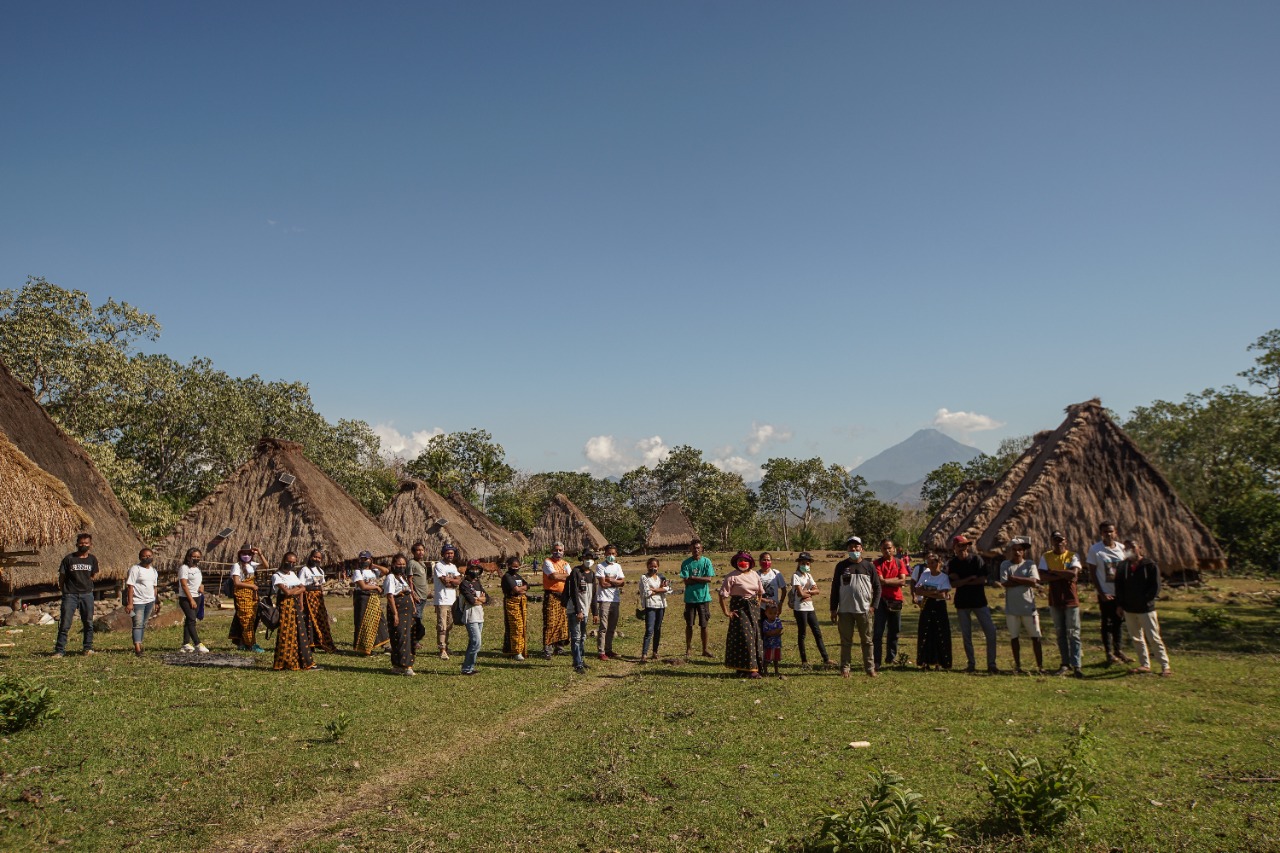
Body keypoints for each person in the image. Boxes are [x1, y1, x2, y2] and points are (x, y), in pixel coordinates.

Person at [1115, 539, 1171, 677]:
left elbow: (1155, 587)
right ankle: (1144, 664)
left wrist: (1145, 601)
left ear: (1139, 548)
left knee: (1153, 637)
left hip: (1146, 608)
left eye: (1132, 547)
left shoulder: (1149, 565)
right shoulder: (1123, 566)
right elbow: (1119, 587)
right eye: (1127, 548)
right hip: (1129, 608)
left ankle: (1165, 666)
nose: (1130, 550)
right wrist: (1120, 604)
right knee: (1136, 638)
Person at [830, 538, 881, 678]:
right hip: (845, 610)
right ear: (848, 550)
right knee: (846, 641)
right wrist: (833, 609)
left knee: (867, 641)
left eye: (856, 547)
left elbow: (877, 587)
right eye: (851, 547)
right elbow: (835, 588)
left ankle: (870, 668)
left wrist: (873, 606)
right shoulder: (841, 566)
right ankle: (845, 668)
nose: (854, 550)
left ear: (862, 549)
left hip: (864, 610)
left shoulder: (869, 566)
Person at [949, 534, 999, 674]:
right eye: (960, 546)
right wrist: (970, 578)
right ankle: (971, 663)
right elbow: (953, 584)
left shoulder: (977, 560)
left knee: (991, 632)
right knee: (967, 635)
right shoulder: (953, 563)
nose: (963, 548)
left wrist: (963, 581)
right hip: (962, 603)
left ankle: (991, 664)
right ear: (954, 548)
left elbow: (982, 580)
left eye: (965, 545)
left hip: (979, 601)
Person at [1039, 532, 1084, 678]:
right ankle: (1065, 663)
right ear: (1051, 541)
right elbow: (1042, 576)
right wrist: (1064, 574)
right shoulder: (1046, 556)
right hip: (1055, 599)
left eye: (1061, 540)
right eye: (1056, 540)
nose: (1059, 542)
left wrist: (1053, 573)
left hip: (1071, 599)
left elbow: (1073, 574)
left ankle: (1077, 664)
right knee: (1060, 633)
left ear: (1066, 541)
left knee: (1074, 633)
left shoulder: (1073, 555)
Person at [1088, 522, 1131, 666]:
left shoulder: (1122, 549)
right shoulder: (1095, 550)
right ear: (1101, 533)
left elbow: (1129, 567)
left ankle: (1118, 650)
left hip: (1121, 593)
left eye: (1111, 531)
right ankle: (1109, 653)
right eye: (1105, 531)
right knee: (1106, 623)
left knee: (1119, 623)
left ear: (1116, 532)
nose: (1108, 534)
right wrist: (1101, 593)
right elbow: (1093, 573)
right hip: (1106, 593)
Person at [999, 537, 1044, 674]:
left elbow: (1034, 581)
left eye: (1020, 550)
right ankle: (1018, 666)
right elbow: (1005, 583)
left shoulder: (1029, 564)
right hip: (1012, 608)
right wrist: (1025, 581)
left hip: (1028, 607)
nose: (1017, 552)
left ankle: (1040, 666)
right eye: (1014, 550)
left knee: (1036, 636)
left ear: (1024, 551)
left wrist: (1015, 578)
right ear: (1011, 551)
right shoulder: (1005, 565)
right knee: (1014, 637)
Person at [719, 551, 765, 678]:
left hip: (753, 610)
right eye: (740, 561)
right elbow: (722, 595)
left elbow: (760, 592)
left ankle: (750, 668)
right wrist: (727, 612)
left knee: (755, 636)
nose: (742, 563)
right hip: (739, 610)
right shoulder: (732, 577)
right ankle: (750, 670)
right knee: (745, 637)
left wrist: (757, 604)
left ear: (750, 563)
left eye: (745, 560)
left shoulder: (755, 574)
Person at [53, 532, 99, 657]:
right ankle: (60, 650)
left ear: (90, 545)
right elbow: (62, 576)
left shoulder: (92, 559)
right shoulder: (69, 559)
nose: (83, 545)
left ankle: (87, 648)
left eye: (86, 543)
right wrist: (64, 589)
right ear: (77, 544)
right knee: (65, 623)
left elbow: (94, 575)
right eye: (81, 543)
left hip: (87, 594)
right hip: (70, 594)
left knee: (88, 622)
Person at [271, 553, 316, 671]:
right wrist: (296, 589)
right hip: (285, 607)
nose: (291, 564)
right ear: (283, 560)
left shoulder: (292, 575)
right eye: (289, 561)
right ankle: (285, 662)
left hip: (295, 606)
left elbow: (303, 588)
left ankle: (302, 661)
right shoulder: (277, 576)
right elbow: (287, 592)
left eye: (294, 562)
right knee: (285, 635)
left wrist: (298, 597)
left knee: (299, 633)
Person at [872, 538, 911, 672]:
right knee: (878, 632)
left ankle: (891, 657)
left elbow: (903, 580)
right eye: (884, 548)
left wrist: (887, 581)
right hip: (881, 601)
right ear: (881, 550)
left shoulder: (899, 562)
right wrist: (897, 581)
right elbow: (880, 581)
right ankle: (876, 660)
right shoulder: (876, 563)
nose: (887, 550)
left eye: (889, 548)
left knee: (894, 630)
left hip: (896, 600)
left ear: (894, 549)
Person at [912, 552, 953, 670]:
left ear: (938, 562)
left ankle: (939, 662)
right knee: (926, 632)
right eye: (928, 563)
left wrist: (927, 592)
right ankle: (924, 660)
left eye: (933, 562)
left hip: (939, 607)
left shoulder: (944, 577)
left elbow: (943, 595)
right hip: (927, 605)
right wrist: (933, 592)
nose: (931, 565)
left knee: (939, 633)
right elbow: (918, 591)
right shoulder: (925, 575)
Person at [790, 553, 832, 670]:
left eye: (807, 563)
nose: (805, 565)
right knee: (802, 634)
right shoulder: (796, 576)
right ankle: (804, 660)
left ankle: (826, 658)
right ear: (799, 563)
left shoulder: (808, 575)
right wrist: (810, 592)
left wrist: (808, 593)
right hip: (800, 608)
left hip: (810, 607)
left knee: (817, 633)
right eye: (803, 563)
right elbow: (800, 593)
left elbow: (817, 590)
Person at [680, 538, 716, 658]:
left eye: (698, 548)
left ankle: (705, 649)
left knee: (704, 625)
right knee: (689, 624)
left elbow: (709, 579)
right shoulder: (686, 563)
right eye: (694, 548)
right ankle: (688, 648)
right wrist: (700, 579)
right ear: (690, 549)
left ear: (701, 549)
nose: (696, 550)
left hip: (703, 598)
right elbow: (686, 581)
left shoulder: (707, 562)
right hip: (690, 598)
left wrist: (693, 577)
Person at [563, 550, 596, 673]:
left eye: (591, 558)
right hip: (575, 610)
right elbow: (574, 593)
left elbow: (593, 595)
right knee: (576, 637)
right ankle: (577, 664)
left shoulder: (592, 574)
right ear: (582, 558)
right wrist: (578, 611)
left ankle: (581, 659)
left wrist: (595, 613)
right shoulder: (576, 572)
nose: (589, 560)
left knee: (582, 636)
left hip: (586, 610)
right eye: (586, 557)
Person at [384, 554, 417, 676]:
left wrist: (413, 607)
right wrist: (395, 614)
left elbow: (408, 593)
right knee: (400, 636)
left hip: (407, 612)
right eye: (399, 564)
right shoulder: (390, 578)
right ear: (393, 564)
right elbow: (390, 596)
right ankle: (405, 665)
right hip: (398, 610)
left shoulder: (402, 578)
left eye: (403, 564)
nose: (401, 566)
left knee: (408, 636)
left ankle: (399, 665)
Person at [352, 551, 391, 655]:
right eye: (362, 559)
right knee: (364, 623)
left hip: (374, 598)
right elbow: (363, 586)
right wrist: (376, 587)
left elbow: (386, 571)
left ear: (370, 559)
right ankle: (365, 649)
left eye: (366, 559)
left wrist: (374, 565)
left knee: (380, 620)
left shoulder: (374, 572)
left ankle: (386, 646)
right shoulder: (358, 572)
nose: (364, 561)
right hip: (363, 598)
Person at [229, 547, 267, 653]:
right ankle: (251, 644)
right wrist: (251, 586)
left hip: (252, 596)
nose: (246, 556)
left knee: (252, 618)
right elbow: (237, 583)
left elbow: (266, 566)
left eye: (248, 554)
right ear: (240, 554)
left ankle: (243, 642)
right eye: (244, 554)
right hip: (242, 594)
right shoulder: (236, 566)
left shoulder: (252, 565)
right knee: (246, 619)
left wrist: (260, 553)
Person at [300, 550, 337, 653]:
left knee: (322, 620)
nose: (317, 559)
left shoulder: (320, 571)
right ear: (310, 557)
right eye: (315, 557)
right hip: (308, 598)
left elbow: (321, 585)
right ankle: (310, 645)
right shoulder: (304, 570)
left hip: (318, 599)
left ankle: (323, 643)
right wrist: (301, 602)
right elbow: (301, 586)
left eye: (319, 558)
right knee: (309, 620)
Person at [124, 547, 159, 657]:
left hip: (150, 601)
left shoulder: (153, 571)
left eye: (149, 556)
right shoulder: (135, 569)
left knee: (143, 623)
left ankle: (140, 642)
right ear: (140, 557)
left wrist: (156, 601)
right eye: (144, 556)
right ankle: (137, 648)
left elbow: (155, 587)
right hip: (137, 601)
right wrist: (130, 603)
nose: (147, 558)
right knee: (137, 623)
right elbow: (130, 586)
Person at [595, 543, 626, 661]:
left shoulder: (618, 566)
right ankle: (601, 651)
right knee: (603, 627)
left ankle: (609, 649)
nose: (611, 556)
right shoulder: (600, 566)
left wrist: (610, 580)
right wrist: (615, 581)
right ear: (605, 554)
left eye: (613, 554)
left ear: (616, 554)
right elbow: (602, 584)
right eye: (609, 554)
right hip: (604, 600)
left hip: (615, 599)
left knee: (612, 627)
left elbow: (622, 582)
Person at [541, 542, 572, 659]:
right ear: (551, 550)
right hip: (552, 595)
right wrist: (566, 575)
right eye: (556, 550)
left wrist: (563, 575)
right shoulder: (547, 562)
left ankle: (559, 647)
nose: (558, 552)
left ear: (563, 551)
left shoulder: (565, 563)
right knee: (550, 621)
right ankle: (547, 649)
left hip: (564, 596)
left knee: (563, 622)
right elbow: (553, 576)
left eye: (560, 550)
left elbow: (570, 576)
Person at [638, 557, 671, 662]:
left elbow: (668, 589)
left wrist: (655, 590)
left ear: (658, 567)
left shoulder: (661, 577)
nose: (653, 568)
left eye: (655, 566)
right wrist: (661, 590)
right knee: (649, 630)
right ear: (647, 566)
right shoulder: (644, 577)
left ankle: (655, 652)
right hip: (650, 605)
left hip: (661, 605)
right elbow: (647, 593)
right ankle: (644, 654)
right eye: (651, 566)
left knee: (658, 629)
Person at [176, 548, 209, 654]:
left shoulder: (197, 569)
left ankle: (186, 644)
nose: (196, 559)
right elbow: (184, 585)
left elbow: (198, 581)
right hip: (186, 598)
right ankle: (198, 643)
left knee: (189, 620)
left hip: (197, 596)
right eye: (194, 556)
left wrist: (201, 586)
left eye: (198, 557)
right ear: (188, 557)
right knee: (191, 620)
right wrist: (191, 600)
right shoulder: (184, 568)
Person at [458, 560, 488, 675]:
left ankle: (468, 668)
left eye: (477, 569)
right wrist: (480, 599)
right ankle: (467, 667)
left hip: (480, 615)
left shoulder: (478, 583)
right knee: (476, 642)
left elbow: (487, 599)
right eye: (472, 569)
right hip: (470, 616)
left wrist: (479, 600)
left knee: (473, 643)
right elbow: (471, 600)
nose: (475, 571)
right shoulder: (464, 584)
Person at [433, 545, 462, 659]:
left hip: (452, 599)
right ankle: (442, 648)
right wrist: (453, 581)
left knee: (449, 625)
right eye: (448, 553)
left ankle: (446, 646)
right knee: (442, 625)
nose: (450, 555)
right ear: (443, 554)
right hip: (442, 599)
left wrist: (452, 580)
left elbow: (459, 580)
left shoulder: (453, 566)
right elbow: (445, 582)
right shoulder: (439, 566)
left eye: (452, 553)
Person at [501, 556, 529, 660]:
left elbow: (527, 585)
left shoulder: (518, 576)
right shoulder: (507, 577)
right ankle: (516, 651)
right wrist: (519, 590)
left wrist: (520, 589)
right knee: (516, 627)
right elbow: (516, 589)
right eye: (513, 566)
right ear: (508, 566)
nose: (515, 568)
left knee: (522, 626)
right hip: (512, 602)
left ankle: (521, 649)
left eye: (517, 566)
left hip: (521, 603)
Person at [407, 542, 432, 653]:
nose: (420, 552)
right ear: (413, 552)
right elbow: (409, 580)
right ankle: (413, 640)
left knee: (419, 618)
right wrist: (413, 594)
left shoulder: (422, 564)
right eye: (418, 550)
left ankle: (415, 640)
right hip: (417, 597)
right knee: (416, 619)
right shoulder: (411, 563)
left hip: (423, 597)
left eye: (422, 550)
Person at [761, 603, 784, 677]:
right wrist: (775, 633)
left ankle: (776, 671)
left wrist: (772, 633)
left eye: (774, 613)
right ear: (766, 613)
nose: (773, 615)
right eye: (770, 613)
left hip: (776, 644)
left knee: (776, 659)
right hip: (768, 645)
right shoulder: (765, 622)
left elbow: (780, 629)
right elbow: (766, 632)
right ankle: (765, 671)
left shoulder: (777, 621)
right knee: (767, 658)